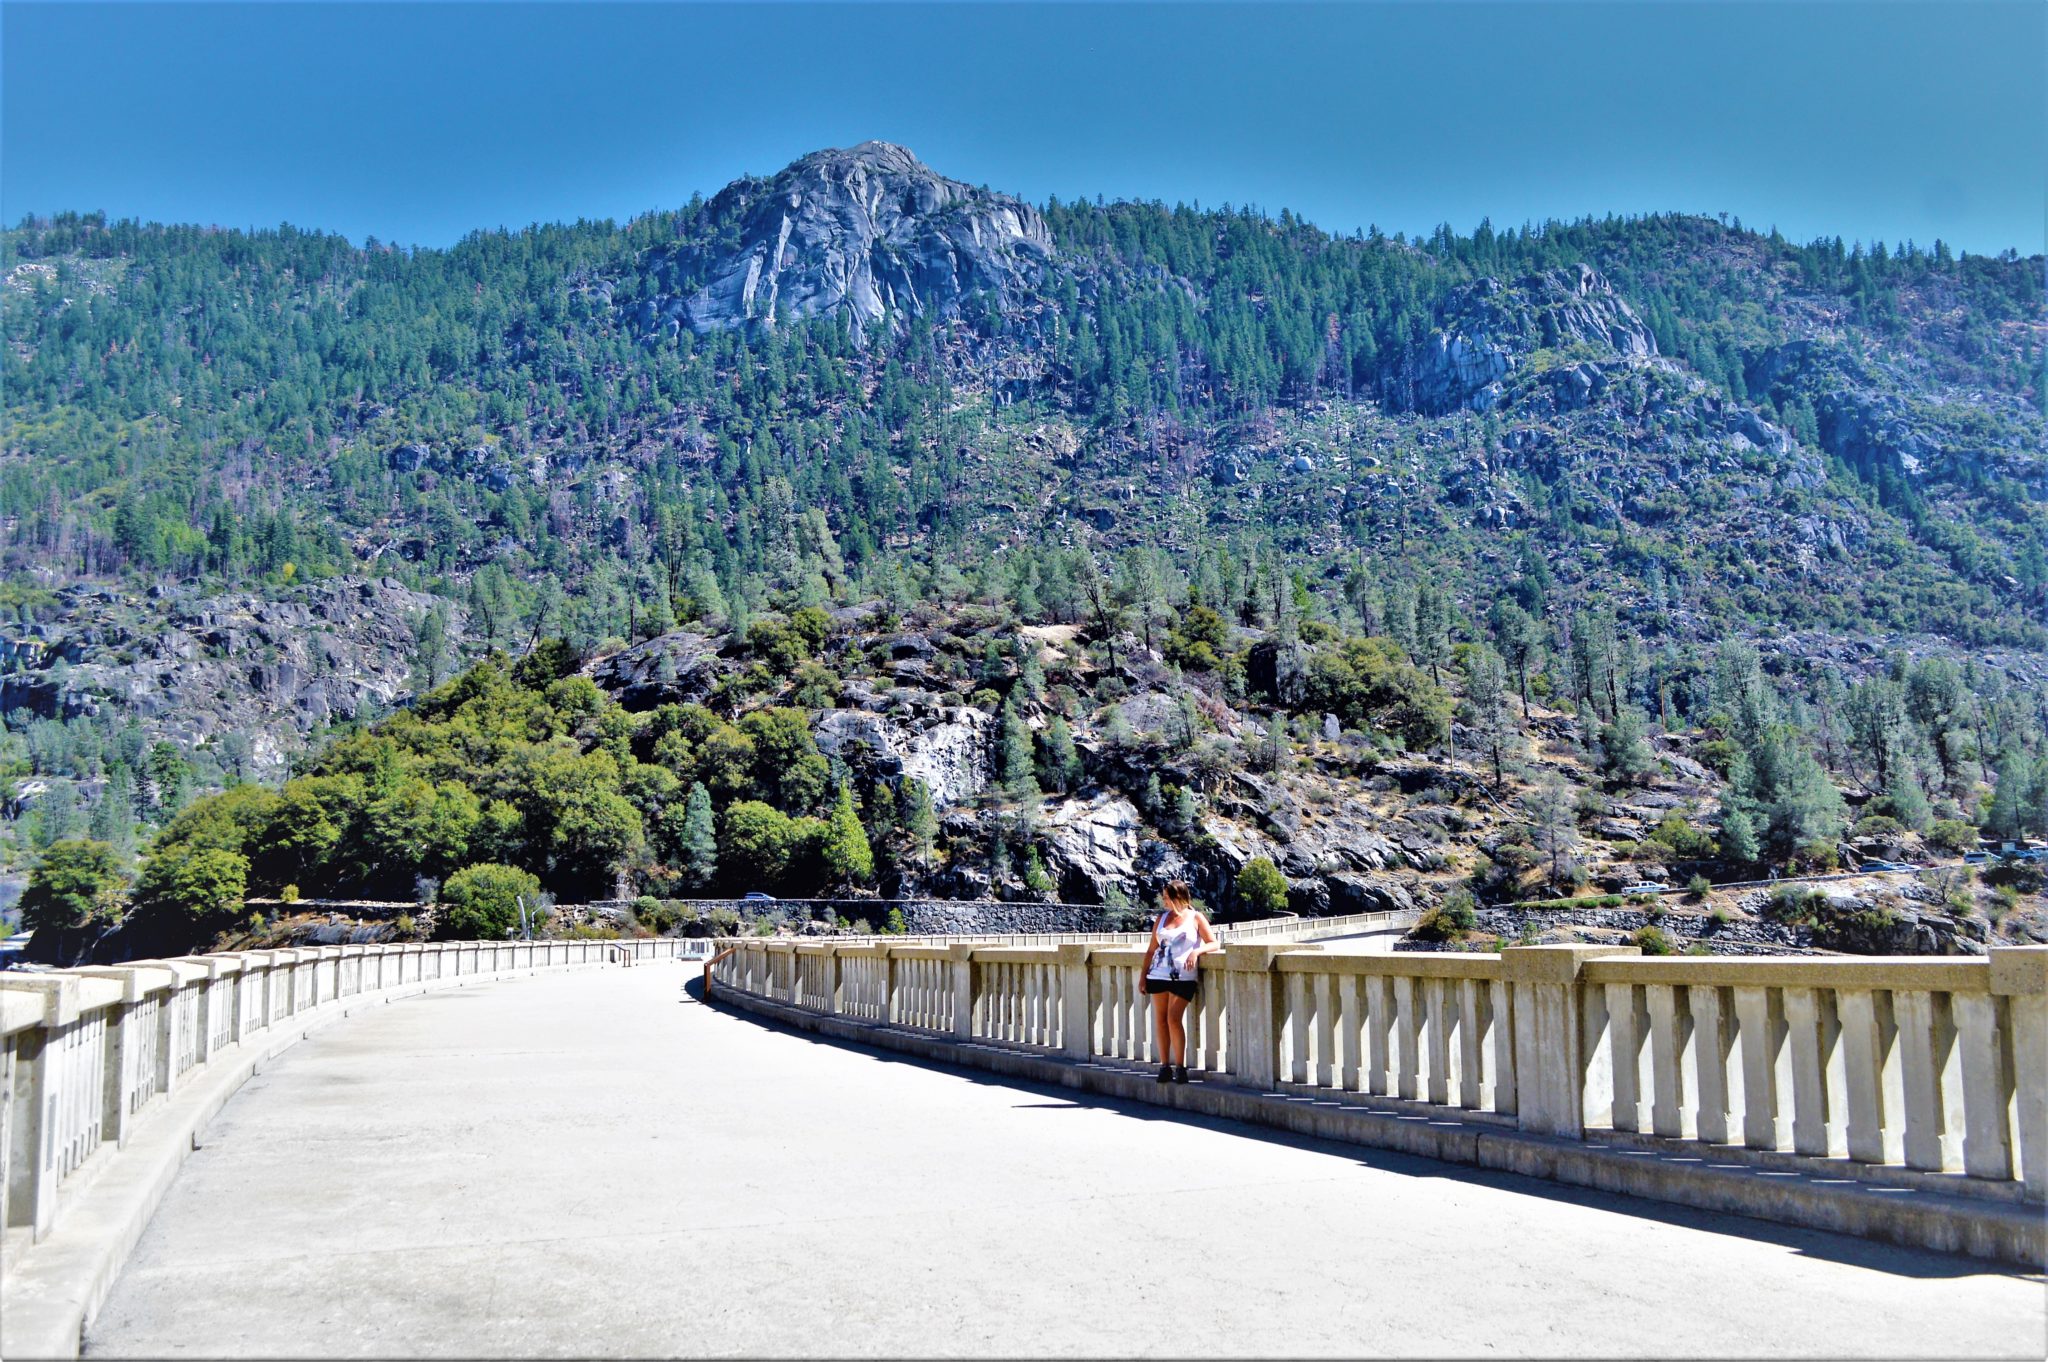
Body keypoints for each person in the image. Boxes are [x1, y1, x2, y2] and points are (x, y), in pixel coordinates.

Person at [1139, 880, 1217, 1084]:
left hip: (1183, 977)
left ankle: (1180, 1067)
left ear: (1178, 897)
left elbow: (1214, 943)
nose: (1163, 900)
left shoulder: (1196, 917)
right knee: (1161, 1019)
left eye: (1166, 897)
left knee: (1174, 1018)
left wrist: (1196, 951)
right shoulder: (1162, 918)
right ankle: (1165, 1066)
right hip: (1157, 974)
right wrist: (1142, 977)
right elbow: (1150, 950)